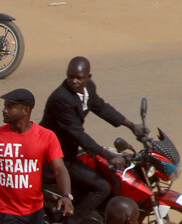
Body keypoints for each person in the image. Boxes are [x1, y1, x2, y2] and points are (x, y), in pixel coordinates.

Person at [41, 58, 146, 224]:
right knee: (102, 187)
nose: (74, 81)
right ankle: (71, 221)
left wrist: (132, 126)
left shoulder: (88, 88)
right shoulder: (61, 98)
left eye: (79, 78)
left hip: (69, 149)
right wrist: (109, 155)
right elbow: (78, 134)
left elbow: (101, 107)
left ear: (88, 77)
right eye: (70, 77)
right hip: (56, 156)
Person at [0, 89, 74, 224]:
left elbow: (59, 169)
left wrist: (66, 196)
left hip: (34, 211)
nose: (4, 110)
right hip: (4, 211)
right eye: (4, 106)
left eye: (10, 107)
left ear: (26, 109)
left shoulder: (47, 137)